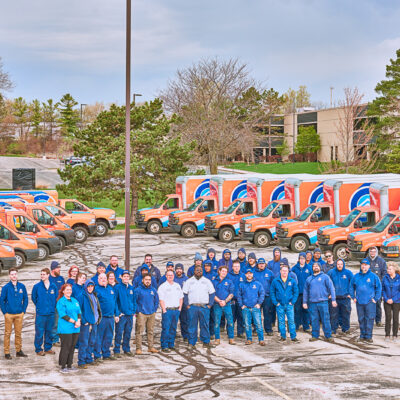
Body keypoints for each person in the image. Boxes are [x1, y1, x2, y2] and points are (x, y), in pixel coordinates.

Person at [183, 265, 216, 349]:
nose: (199, 272)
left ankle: (205, 341)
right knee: (191, 325)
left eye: (200, 270)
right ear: (194, 271)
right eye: (197, 270)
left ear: (202, 271)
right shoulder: (189, 281)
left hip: (204, 307)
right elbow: (185, 294)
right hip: (192, 307)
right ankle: (191, 343)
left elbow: (212, 293)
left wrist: (209, 305)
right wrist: (187, 305)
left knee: (204, 325)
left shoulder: (207, 281)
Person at [350, 258, 382, 343]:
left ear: (369, 266)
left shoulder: (373, 276)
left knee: (370, 318)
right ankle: (362, 335)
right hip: (359, 302)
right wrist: (353, 297)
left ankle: (368, 336)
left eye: (365, 265)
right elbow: (351, 287)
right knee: (361, 319)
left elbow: (379, 288)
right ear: (361, 266)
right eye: (362, 265)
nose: (363, 266)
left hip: (370, 302)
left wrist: (375, 299)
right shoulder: (356, 276)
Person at [303, 262, 336, 342]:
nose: (315, 267)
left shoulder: (325, 277)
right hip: (312, 303)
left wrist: (333, 299)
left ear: (320, 267)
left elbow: (331, 288)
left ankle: (328, 336)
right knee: (314, 319)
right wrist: (304, 302)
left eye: (317, 266)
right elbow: (305, 291)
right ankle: (315, 335)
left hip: (323, 302)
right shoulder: (309, 279)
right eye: (314, 266)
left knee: (325, 319)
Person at [0, 268, 28, 359]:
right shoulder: (6, 287)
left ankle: (18, 350)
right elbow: (2, 300)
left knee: (18, 333)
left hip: (19, 314)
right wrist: (5, 312)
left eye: (15, 274)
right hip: (9, 314)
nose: (14, 276)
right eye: (12, 274)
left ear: (17, 274)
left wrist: (23, 311)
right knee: (7, 333)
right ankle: (7, 352)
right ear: (9, 276)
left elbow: (26, 299)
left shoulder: (22, 286)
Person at [32, 268, 58, 356]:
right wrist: (40, 306)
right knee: (39, 332)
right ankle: (38, 349)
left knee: (49, 331)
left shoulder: (53, 286)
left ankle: (48, 348)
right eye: (41, 274)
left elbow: (55, 298)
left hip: (50, 313)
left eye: (44, 274)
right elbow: (34, 298)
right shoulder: (37, 286)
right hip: (41, 314)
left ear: (48, 275)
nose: (42, 276)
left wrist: (51, 307)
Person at [270, 264, 299, 342]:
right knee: (281, 321)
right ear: (280, 271)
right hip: (280, 305)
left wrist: (292, 302)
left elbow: (296, 292)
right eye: (283, 271)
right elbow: (272, 292)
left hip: (289, 305)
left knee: (291, 321)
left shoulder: (292, 281)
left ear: (288, 272)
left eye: (286, 271)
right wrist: (276, 303)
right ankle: (283, 336)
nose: (284, 272)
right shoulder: (275, 281)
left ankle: (293, 337)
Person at [77, 280, 102, 369]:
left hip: (94, 322)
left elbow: (97, 309)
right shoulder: (82, 296)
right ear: (85, 287)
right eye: (88, 286)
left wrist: (98, 319)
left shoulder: (94, 296)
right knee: (84, 342)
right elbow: (78, 310)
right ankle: (81, 361)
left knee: (92, 342)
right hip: (86, 324)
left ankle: (88, 358)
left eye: (92, 286)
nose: (90, 288)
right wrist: (84, 321)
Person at [56, 283, 81, 373]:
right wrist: (74, 321)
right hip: (65, 328)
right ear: (63, 291)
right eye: (67, 289)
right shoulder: (61, 301)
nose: (69, 291)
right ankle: (63, 366)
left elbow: (79, 312)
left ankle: (69, 365)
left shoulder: (74, 300)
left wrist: (78, 321)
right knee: (66, 346)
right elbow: (63, 315)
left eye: (70, 289)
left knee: (72, 346)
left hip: (75, 328)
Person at [94, 273, 119, 361]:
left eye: (105, 278)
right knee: (99, 336)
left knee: (109, 336)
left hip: (110, 317)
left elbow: (115, 302)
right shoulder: (96, 290)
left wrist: (116, 314)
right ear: (98, 279)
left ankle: (106, 354)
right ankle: (97, 355)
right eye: (101, 278)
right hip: (101, 318)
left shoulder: (110, 289)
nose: (103, 279)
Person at [238, 268, 265, 346]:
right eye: (247, 273)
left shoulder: (257, 284)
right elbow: (239, 296)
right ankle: (249, 339)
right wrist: (242, 305)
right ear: (245, 275)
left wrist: (259, 304)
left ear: (252, 274)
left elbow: (262, 294)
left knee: (258, 324)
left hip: (255, 308)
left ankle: (261, 340)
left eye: (250, 273)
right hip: (246, 308)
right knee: (247, 324)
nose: (249, 275)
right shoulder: (242, 284)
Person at [158, 270, 183, 352]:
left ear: (174, 276)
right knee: (166, 328)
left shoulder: (177, 285)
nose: (170, 276)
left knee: (173, 328)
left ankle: (171, 344)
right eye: (168, 275)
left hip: (176, 310)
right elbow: (161, 300)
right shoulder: (163, 286)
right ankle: (164, 345)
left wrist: (179, 308)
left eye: (171, 275)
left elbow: (181, 298)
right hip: (167, 310)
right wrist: (164, 310)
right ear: (166, 276)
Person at [135, 274, 159, 354]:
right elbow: (134, 301)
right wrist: (138, 310)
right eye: (146, 279)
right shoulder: (138, 290)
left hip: (151, 313)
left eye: (149, 280)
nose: (148, 281)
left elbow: (156, 301)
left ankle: (150, 347)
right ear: (143, 280)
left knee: (150, 331)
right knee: (139, 331)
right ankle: (138, 348)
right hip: (142, 313)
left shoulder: (153, 290)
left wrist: (154, 309)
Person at [327, 259, 353, 335]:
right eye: (338, 264)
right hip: (334, 298)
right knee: (333, 314)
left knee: (346, 314)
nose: (339, 265)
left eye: (341, 264)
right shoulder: (331, 272)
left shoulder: (348, 273)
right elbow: (327, 284)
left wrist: (350, 294)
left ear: (343, 264)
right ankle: (333, 329)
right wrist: (329, 294)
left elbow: (353, 284)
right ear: (336, 264)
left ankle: (346, 328)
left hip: (345, 298)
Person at [114, 270, 136, 357]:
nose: (126, 278)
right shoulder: (117, 287)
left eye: (127, 276)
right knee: (119, 332)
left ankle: (126, 349)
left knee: (128, 332)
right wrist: (118, 313)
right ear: (121, 277)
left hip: (129, 315)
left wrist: (133, 310)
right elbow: (115, 301)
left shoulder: (131, 288)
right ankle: (117, 350)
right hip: (122, 315)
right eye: (124, 276)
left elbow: (134, 300)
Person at [212, 266, 235, 345]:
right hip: (217, 305)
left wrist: (225, 301)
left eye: (225, 271)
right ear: (219, 271)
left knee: (230, 321)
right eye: (223, 271)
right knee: (216, 322)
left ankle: (231, 338)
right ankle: (217, 339)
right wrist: (219, 301)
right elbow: (212, 293)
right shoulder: (214, 281)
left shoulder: (229, 282)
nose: (224, 273)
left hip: (227, 304)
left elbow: (231, 293)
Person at [253, 258, 274, 336]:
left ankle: (268, 329)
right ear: (257, 264)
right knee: (256, 313)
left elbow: (273, 285)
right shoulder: (253, 273)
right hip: (256, 297)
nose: (261, 265)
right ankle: (256, 329)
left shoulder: (270, 273)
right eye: (260, 263)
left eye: (263, 263)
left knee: (267, 313)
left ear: (265, 264)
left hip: (267, 297)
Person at [291, 252, 312, 332]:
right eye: (301, 258)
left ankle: (306, 326)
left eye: (303, 258)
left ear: (305, 259)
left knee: (306, 309)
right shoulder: (294, 268)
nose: (302, 260)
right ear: (299, 259)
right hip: (297, 293)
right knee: (297, 309)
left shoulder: (309, 268)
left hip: (306, 293)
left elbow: (312, 279)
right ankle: (296, 325)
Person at [367, 246, 387, 327]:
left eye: (374, 251)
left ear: (376, 252)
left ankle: (378, 320)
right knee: (368, 304)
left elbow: (384, 274)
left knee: (378, 304)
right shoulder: (366, 261)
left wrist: (380, 284)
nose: (372, 253)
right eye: (371, 251)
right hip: (368, 287)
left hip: (378, 288)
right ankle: (369, 319)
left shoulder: (381, 261)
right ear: (369, 252)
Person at [382, 262, 400, 342]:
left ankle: (395, 335)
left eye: (390, 269)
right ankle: (387, 335)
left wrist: (393, 299)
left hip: (397, 301)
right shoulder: (385, 278)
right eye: (387, 269)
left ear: (394, 270)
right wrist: (386, 299)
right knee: (388, 318)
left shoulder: (399, 278)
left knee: (395, 318)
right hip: (387, 301)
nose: (388, 270)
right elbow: (382, 290)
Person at [228, 260, 246, 338]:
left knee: (241, 316)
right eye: (235, 266)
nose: (236, 268)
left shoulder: (243, 276)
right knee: (231, 317)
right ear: (232, 267)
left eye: (238, 266)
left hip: (240, 300)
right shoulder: (229, 275)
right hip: (231, 300)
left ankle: (240, 332)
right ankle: (230, 332)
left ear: (240, 267)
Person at [49, 261, 65, 346]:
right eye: (58, 268)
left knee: (60, 323)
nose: (59, 270)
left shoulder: (61, 278)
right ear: (53, 269)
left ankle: (58, 339)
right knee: (53, 323)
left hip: (61, 305)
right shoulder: (48, 279)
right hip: (52, 305)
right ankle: (53, 340)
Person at [174, 263, 189, 342]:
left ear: (183, 270)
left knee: (184, 320)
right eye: (177, 269)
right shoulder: (173, 278)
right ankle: (172, 335)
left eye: (180, 269)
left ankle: (185, 335)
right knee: (174, 319)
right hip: (174, 302)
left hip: (184, 303)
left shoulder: (186, 279)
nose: (179, 270)